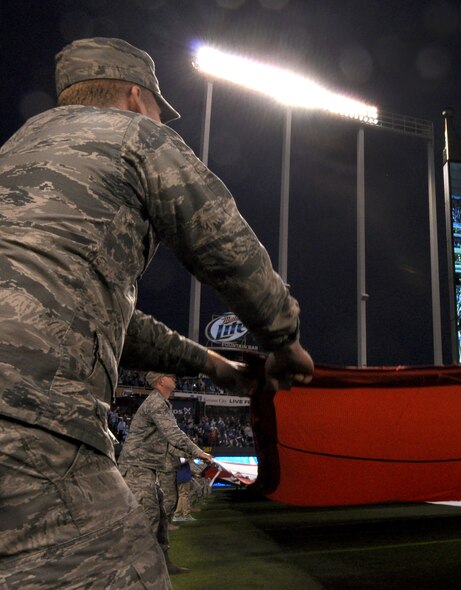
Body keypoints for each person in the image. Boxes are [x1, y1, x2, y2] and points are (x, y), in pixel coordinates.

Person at [0, 38, 314, 589]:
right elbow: (224, 244)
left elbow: (96, 322)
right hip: (31, 418)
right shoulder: (133, 135)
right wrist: (283, 341)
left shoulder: (12, 153)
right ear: (133, 96)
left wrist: (213, 364)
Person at [118, 372, 211, 575]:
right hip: (136, 467)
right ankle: (139, 571)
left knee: (160, 516)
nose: (175, 379)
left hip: (147, 467)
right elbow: (174, 435)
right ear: (160, 381)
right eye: (170, 376)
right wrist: (199, 453)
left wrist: (196, 453)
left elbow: (171, 439)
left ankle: (163, 563)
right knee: (148, 516)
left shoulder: (162, 403)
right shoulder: (156, 403)